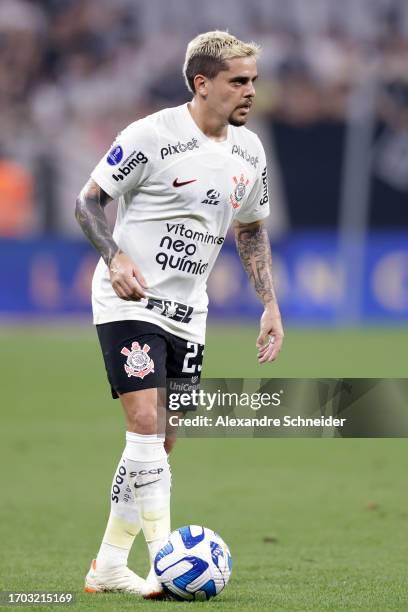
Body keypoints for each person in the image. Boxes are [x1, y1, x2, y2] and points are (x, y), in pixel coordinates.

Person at [75, 30, 284, 599]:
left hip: (190, 312)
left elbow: (251, 229)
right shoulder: (152, 135)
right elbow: (87, 200)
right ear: (202, 83)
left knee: (160, 443)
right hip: (130, 299)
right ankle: (167, 568)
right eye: (238, 81)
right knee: (142, 425)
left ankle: (110, 564)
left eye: (253, 81)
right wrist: (113, 255)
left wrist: (269, 304)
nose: (250, 92)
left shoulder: (250, 151)